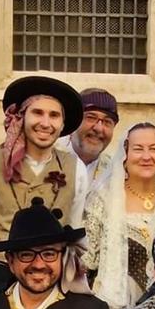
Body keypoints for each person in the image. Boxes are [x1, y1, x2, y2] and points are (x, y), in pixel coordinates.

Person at [0, 76, 84, 291]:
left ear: (62, 124)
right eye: (37, 113)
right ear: (21, 117)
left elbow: (75, 225)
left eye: (54, 115)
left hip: (49, 278)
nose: (45, 123)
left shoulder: (75, 167)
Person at [82, 121, 155, 309]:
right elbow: (88, 258)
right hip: (115, 306)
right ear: (125, 154)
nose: (147, 157)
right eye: (138, 149)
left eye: (154, 149)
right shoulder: (103, 197)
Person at [65, 87, 119, 215]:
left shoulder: (115, 172)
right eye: (91, 117)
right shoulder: (50, 158)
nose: (99, 128)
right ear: (74, 121)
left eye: (107, 122)